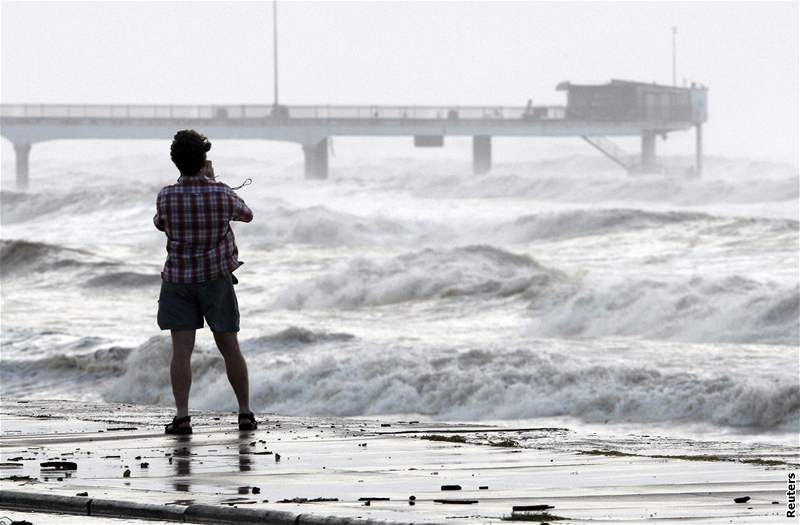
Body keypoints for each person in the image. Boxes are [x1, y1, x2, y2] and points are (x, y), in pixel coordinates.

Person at [154, 129, 257, 434]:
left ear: (176, 162)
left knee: (181, 351)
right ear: (203, 160)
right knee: (230, 347)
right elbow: (247, 214)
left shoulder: (166, 196)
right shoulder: (221, 193)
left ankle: (183, 416)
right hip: (216, 280)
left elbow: (161, 223)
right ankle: (244, 413)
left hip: (178, 279)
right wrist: (212, 182)